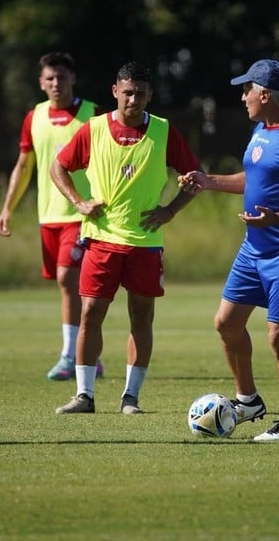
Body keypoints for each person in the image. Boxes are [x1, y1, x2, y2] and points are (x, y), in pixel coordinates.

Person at [179, 59, 279, 441]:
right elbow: (254, 178)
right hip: (253, 249)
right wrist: (208, 181)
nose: (243, 97)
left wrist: (276, 219)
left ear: (265, 94)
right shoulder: (262, 130)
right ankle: (248, 400)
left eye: (246, 90)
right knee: (226, 323)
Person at [49, 61, 201, 415]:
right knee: (90, 313)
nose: (134, 99)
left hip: (145, 243)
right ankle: (84, 396)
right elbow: (59, 166)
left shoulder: (164, 132)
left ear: (150, 96)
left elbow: (196, 177)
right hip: (101, 240)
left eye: (141, 93)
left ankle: (130, 398)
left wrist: (170, 210)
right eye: (128, 92)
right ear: (115, 91)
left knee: (141, 317)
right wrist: (79, 202)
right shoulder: (94, 128)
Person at [0, 52, 105, 381]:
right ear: (41, 83)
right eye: (50, 78)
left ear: (73, 79)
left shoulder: (92, 115)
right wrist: (7, 208)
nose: (56, 83)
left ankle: (70, 356)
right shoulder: (34, 117)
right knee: (74, 288)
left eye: (62, 77)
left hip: (83, 214)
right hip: (49, 216)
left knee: (66, 279)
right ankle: (90, 355)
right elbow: (24, 165)